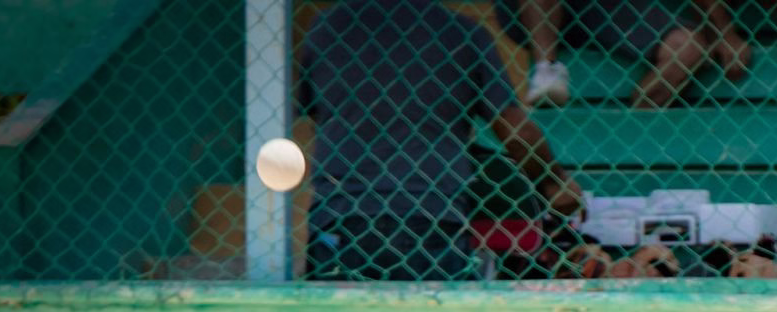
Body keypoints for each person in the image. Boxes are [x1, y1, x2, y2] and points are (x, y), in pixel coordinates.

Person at [298, 0, 583, 281]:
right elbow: (515, 130)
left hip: (341, 216)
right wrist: (554, 182)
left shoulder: (328, 26)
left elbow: (307, 118)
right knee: (434, 309)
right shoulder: (461, 32)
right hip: (431, 215)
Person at [513, 0, 751, 109]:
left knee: (687, 47)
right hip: (531, 11)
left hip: (609, 7)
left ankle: (634, 131)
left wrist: (724, 33)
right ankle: (547, 69)